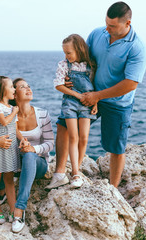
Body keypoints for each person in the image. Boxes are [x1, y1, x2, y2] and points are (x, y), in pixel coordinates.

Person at [47, 1, 146, 189]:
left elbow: (131, 83)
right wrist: (68, 77)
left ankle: (113, 189)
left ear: (127, 24)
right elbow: (82, 58)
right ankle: (60, 173)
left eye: (112, 26)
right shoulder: (97, 33)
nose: (107, 28)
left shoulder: (137, 48)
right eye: (106, 23)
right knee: (64, 126)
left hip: (117, 102)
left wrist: (98, 96)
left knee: (115, 147)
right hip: (87, 94)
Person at [0, 78, 54, 233]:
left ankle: (19, 210)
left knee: (28, 155)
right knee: (3, 176)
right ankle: (0, 201)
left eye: (29, 85)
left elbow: (50, 144)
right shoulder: (5, 111)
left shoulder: (42, 114)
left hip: (37, 164)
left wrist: (33, 149)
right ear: (14, 93)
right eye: (21, 87)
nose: (28, 89)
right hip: (12, 163)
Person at [47, 34, 97, 189]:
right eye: (65, 53)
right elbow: (58, 85)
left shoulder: (91, 66)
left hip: (87, 104)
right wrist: (77, 95)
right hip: (70, 103)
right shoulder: (64, 65)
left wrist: (97, 102)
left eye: (69, 53)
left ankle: (77, 170)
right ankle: (75, 173)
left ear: (79, 49)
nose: (66, 56)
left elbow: (97, 86)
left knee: (84, 138)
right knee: (73, 136)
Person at [0, 76, 27, 224]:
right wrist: (15, 112)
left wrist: (22, 139)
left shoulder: (10, 107)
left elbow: (15, 128)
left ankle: (14, 210)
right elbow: (4, 121)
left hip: (10, 147)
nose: (14, 89)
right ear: (2, 90)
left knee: (9, 179)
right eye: (11, 87)